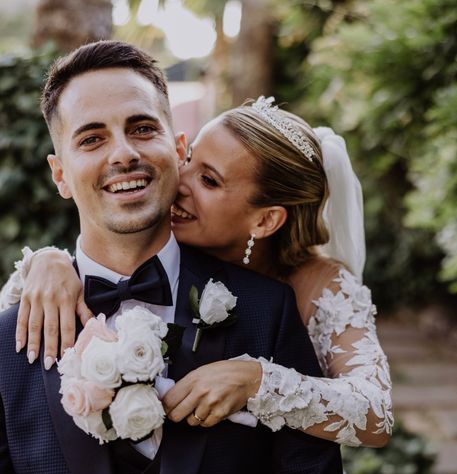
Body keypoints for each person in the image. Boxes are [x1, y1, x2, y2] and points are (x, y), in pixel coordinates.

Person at [2, 64, 393, 449]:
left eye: (209, 180)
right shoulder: (164, 237)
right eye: (188, 160)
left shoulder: (317, 285)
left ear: (266, 219)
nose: (181, 181)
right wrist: (46, 262)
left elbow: (375, 412)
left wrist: (256, 381)